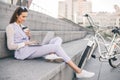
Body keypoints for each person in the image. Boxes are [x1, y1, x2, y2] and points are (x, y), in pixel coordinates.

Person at [6, 6, 95, 78]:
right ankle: (78, 71)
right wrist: (26, 43)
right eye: (23, 16)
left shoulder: (23, 26)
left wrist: (28, 37)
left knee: (58, 39)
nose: (24, 19)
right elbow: (10, 46)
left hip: (30, 48)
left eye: (26, 16)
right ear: (17, 15)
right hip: (22, 52)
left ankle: (51, 54)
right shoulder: (10, 27)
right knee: (55, 47)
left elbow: (26, 40)